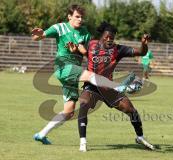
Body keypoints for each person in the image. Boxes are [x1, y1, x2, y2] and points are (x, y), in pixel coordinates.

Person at [32, 4, 136, 145]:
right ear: (69, 16)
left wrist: (76, 50)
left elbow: (84, 51)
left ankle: (42, 134)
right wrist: (39, 35)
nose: (80, 19)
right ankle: (118, 87)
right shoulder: (59, 27)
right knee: (91, 76)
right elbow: (41, 35)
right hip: (63, 66)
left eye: (82, 17)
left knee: (68, 111)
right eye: (77, 16)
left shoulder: (84, 32)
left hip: (73, 70)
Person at [77, 21, 155, 152]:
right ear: (101, 36)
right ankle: (83, 142)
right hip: (92, 85)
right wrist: (75, 49)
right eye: (107, 37)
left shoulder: (118, 49)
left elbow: (141, 52)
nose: (109, 40)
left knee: (131, 111)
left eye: (112, 38)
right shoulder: (91, 45)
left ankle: (140, 137)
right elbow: (80, 51)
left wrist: (144, 44)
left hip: (108, 88)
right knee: (83, 104)